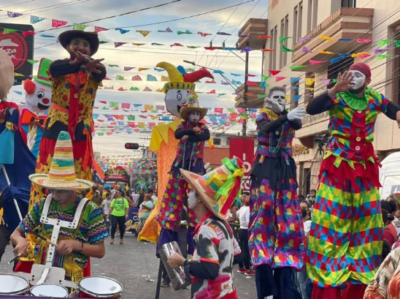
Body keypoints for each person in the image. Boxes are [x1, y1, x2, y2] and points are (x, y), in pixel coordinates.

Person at [306, 63, 400, 299]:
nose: (353, 79)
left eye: (359, 75)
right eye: (350, 74)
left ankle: (361, 284)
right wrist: (333, 90)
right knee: (331, 223)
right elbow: (311, 108)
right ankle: (327, 284)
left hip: (365, 170)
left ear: (367, 80)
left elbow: (393, 109)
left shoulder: (374, 98)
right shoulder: (337, 97)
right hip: (338, 167)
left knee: (366, 225)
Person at [10, 131, 107, 283]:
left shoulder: (91, 210)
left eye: (60, 189)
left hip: (71, 280)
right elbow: (16, 233)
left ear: (73, 187)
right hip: (39, 275)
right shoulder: (42, 205)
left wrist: (76, 245)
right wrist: (20, 241)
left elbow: (100, 251)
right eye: (51, 189)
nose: (54, 194)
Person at [29, 30, 106, 209]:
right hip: (57, 127)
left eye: (86, 45)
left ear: (91, 51)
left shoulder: (95, 71)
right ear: (68, 47)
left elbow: (101, 72)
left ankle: (78, 221)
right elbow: (55, 69)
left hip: (80, 130)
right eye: (77, 43)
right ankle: (38, 220)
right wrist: (77, 65)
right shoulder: (58, 67)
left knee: (78, 176)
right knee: (47, 172)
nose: (81, 47)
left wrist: (86, 66)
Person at [248, 86, 306, 299]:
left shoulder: (288, 116)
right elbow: (266, 128)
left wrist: (285, 114)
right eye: (276, 97)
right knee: (265, 211)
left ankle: (285, 261)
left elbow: (297, 124)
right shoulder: (263, 115)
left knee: (287, 214)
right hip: (266, 167)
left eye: (283, 97)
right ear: (268, 100)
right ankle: (264, 258)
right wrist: (283, 116)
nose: (280, 100)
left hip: (285, 169)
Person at [167, 157, 244, 299]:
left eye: (192, 190)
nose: (188, 194)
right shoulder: (224, 224)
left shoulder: (207, 229)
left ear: (201, 199)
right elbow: (238, 256)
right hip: (228, 293)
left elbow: (210, 270)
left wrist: (182, 262)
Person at [157, 85, 211, 255]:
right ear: (187, 114)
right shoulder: (182, 127)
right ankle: (168, 236)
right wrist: (187, 132)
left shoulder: (203, 128)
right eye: (192, 113)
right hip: (180, 165)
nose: (195, 116)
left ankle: (196, 239)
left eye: (197, 114)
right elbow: (178, 135)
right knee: (173, 197)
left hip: (195, 166)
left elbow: (204, 137)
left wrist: (192, 135)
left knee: (197, 197)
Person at [236, 194, 254, 275]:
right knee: (246, 250)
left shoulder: (242, 208)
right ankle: (247, 268)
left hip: (241, 229)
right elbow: (248, 221)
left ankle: (241, 267)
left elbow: (236, 214)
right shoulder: (248, 209)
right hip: (246, 230)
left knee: (241, 249)